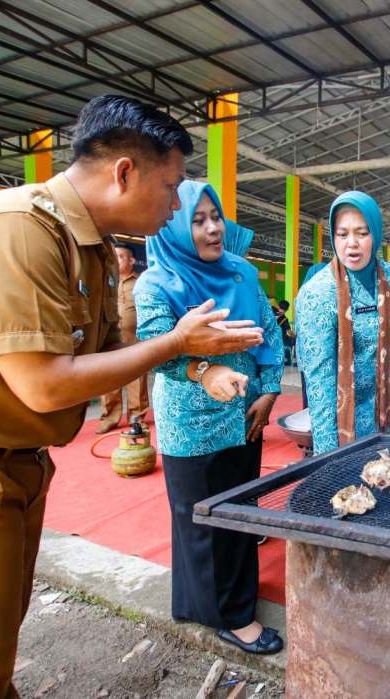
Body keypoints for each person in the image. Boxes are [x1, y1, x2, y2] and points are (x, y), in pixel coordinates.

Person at [0, 94, 263, 699]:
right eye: (170, 186)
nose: (176, 206)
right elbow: (46, 382)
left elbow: (100, 358)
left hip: (14, 463)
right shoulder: (16, 230)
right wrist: (181, 348)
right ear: (124, 172)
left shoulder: (92, 247)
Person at [135, 180, 284, 655]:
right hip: (192, 421)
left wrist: (271, 390)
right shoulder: (156, 282)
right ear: (175, 227)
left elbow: (269, 332)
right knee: (199, 519)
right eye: (197, 220)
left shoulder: (240, 273)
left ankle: (215, 602)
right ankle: (231, 617)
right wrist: (202, 368)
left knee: (238, 514)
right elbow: (155, 353)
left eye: (215, 216)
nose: (213, 228)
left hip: (246, 414)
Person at [295, 191, 390, 454]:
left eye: (362, 233)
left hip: (388, 417)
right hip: (344, 429)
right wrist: (327, 457)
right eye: (342, 234)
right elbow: (319, 387)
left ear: (376, 234)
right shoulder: (319, 294)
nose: (352, 244)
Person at [96, 242, 150, 433]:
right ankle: (109, 417)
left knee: (136, 377)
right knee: (108, 376)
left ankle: (137, 416)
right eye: (114, 256)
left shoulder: (141, 282)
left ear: (132, 260)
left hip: (133, 338)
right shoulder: (105, 281)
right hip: (109, 338)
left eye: (120, 256)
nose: (116, 260)